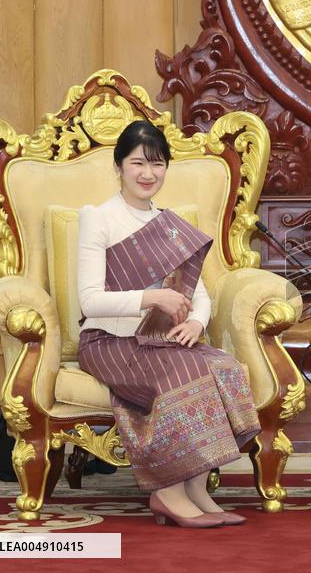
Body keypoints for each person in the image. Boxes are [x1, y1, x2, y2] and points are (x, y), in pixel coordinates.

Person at [77, 120, 260, 528]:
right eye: (138, 163)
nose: (147, 174)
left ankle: (196, 487)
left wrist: (196, 322)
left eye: (157, 164)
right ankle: (167, 492)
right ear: (119, 166)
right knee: (187, 369)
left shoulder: (170, 226)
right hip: (108, 341)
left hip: (160, 339)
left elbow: (199, 294)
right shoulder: (99, 218)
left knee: (223, 366)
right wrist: (151, 297)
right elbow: (88, 299)